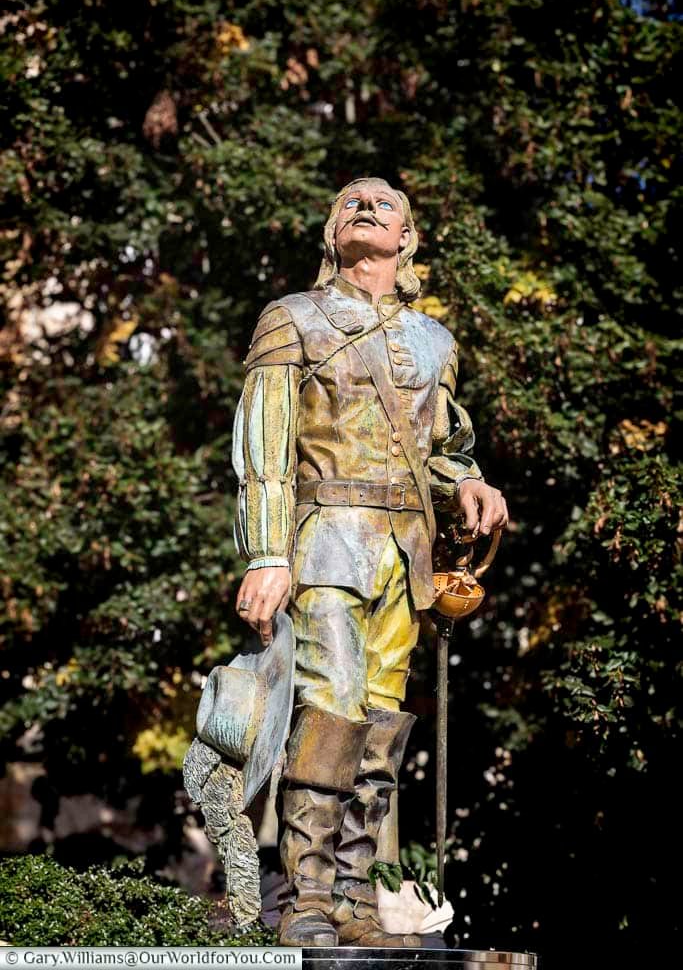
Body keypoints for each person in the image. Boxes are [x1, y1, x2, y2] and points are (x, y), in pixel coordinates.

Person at [231, 177, 508, 947]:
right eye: (350, 201)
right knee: (331, 707)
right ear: (331, 234)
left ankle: (354, 897)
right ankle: (307, 899)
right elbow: (263, 450)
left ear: (406, 240)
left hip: (406, 554)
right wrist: (264, 552)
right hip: (323, 540)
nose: (366, 208)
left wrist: (472, 485)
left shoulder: (434, 342)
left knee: (382, 724)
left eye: (385, 205)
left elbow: (445, 448)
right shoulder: (291, 320)